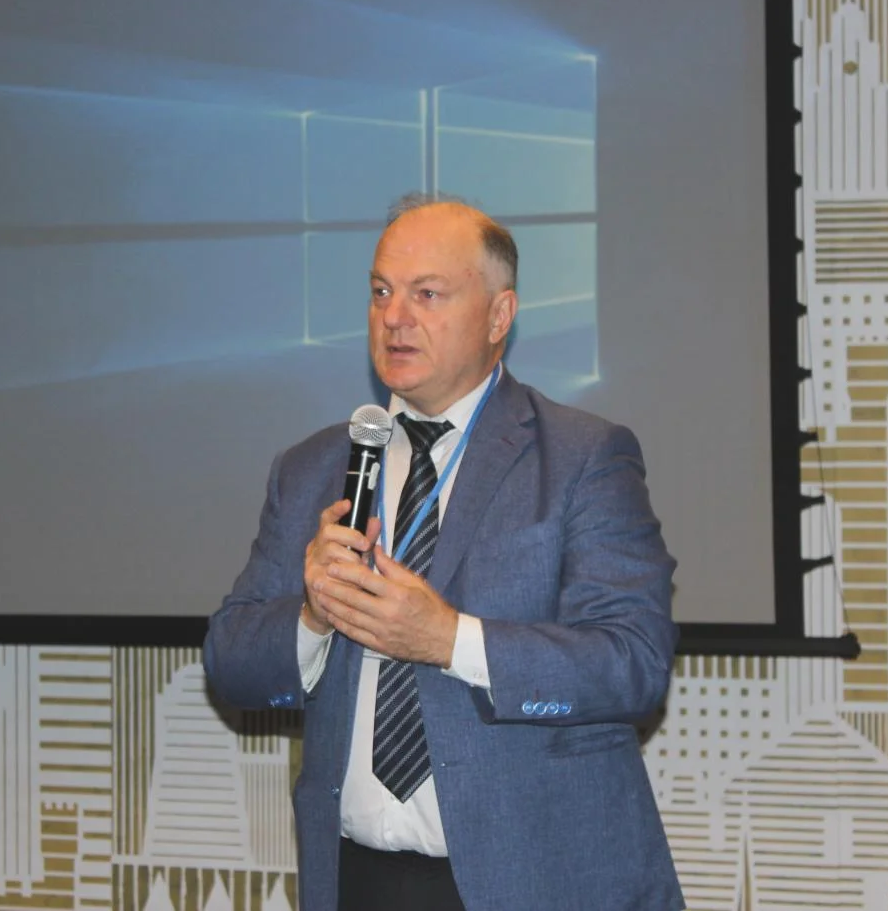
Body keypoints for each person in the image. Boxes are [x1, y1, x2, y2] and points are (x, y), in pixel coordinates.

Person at [204, 194, 683, 911]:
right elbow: (231, 663)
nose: (395, 316)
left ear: (498, 316)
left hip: (533, 882)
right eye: (381, 292)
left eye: (427, 294)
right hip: (355, 880)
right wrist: (312, 615)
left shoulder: (582, 457)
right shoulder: (313, 469)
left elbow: (633, 665)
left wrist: (449, 639)